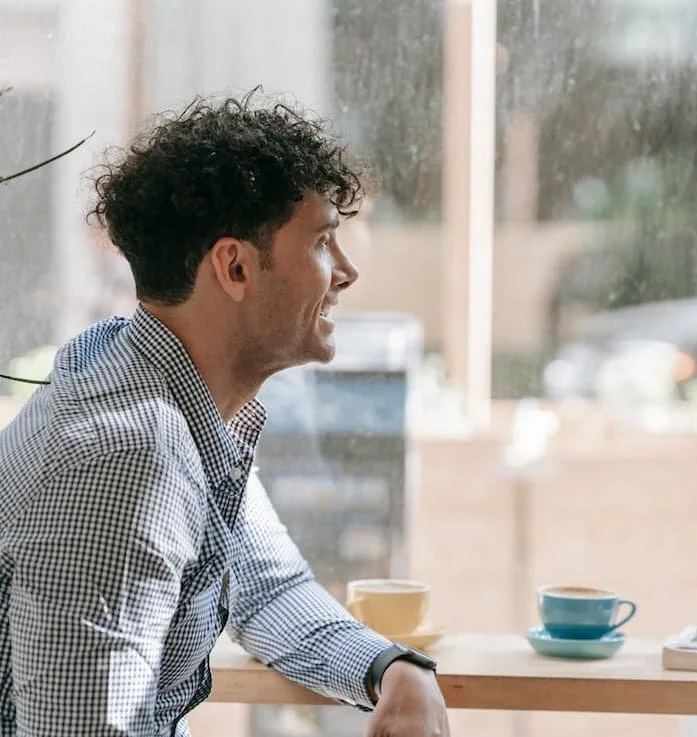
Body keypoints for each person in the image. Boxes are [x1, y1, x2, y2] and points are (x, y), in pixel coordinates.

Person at [0, 93, 450, 737]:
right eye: (323, 242)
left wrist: (394, 668)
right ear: (235, 265)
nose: (346, 272)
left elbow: (267, 588)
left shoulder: (155, 390)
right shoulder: (127, 460)